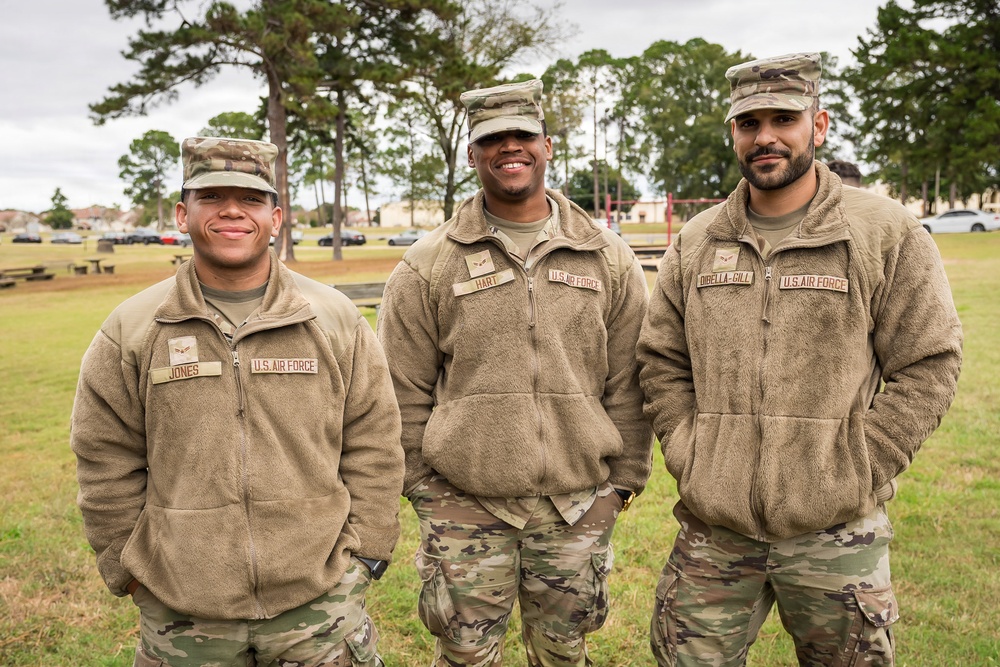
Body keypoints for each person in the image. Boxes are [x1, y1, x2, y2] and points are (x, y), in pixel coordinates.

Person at [637, 53, 963, 666]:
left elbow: (930, 361)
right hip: (716, 532)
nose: (765, 137)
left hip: (835, 530)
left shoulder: (884, 232)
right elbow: (661, 358)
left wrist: (862, 462)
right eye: (748, 122)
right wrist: (690, 449)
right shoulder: (698, 241)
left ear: (819, 125)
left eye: (783, 118)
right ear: (732, 132)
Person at [71, 137, 404, 667]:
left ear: (275, 218)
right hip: (182, 613)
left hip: (318, 607)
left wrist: (364, 553)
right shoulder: (132, 328)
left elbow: (375, 441)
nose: (231, 211)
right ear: (183, 214)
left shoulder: (334, 319)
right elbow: (104, 455)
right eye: (212, 197)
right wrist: (127, 566)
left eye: (250, 200)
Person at [377, 79, 654, 666]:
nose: (510, 149)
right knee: (465, 656)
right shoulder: (429, 263)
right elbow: (399, 390)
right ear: (473, 154)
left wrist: (620, 486)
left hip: (575, 507)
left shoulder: (607, 257)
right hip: (466, 505)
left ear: (547, 146)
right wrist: (427, 491)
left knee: (563, 654)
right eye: (492, 139)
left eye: (523, 136)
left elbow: (631, 381)